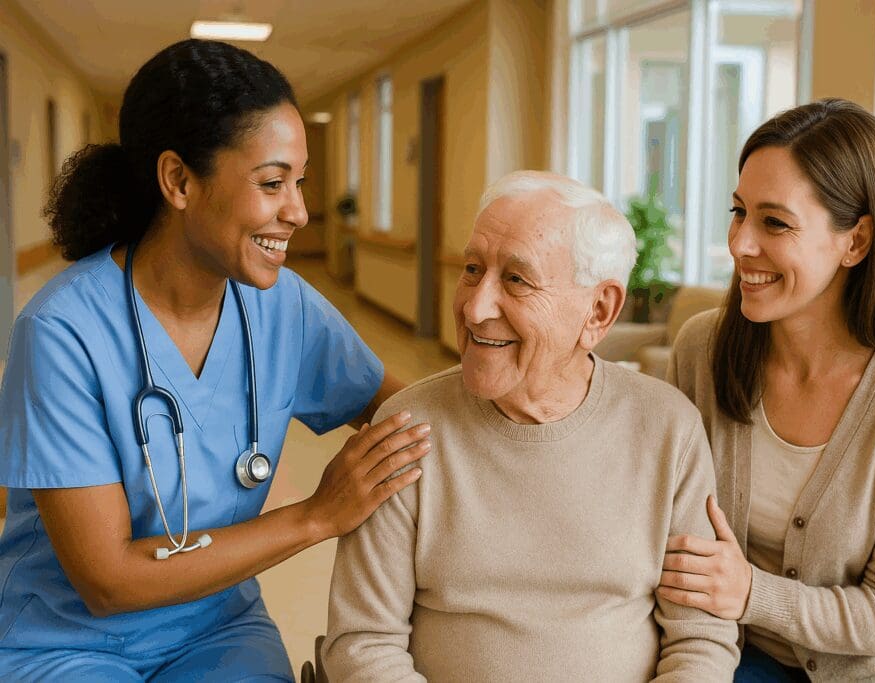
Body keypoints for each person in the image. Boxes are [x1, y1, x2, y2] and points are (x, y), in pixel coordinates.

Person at [0, 39, 429, 681]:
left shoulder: (283, 306)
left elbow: (405, 412)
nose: (299, 211)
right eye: (271, 182)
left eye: (300, 181)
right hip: (63, 638)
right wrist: (315, 516)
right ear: (178, 180)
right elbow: (107, 581)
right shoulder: (63, 331)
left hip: (216, 627)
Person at [321, 171, 739, 682]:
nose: (474, 308)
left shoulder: (668, 430)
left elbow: (700, 641)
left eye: (517, 280)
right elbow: (363, 646)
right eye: (472, 269)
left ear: (599, 310)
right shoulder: (406, 430)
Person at [658, 98, 875, 681]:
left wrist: (753, 591)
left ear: (856, 242)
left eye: (774, 222)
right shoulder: (702, 350)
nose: (740, 244)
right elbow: (645, 491)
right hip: (729, 653)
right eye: (738, 211)